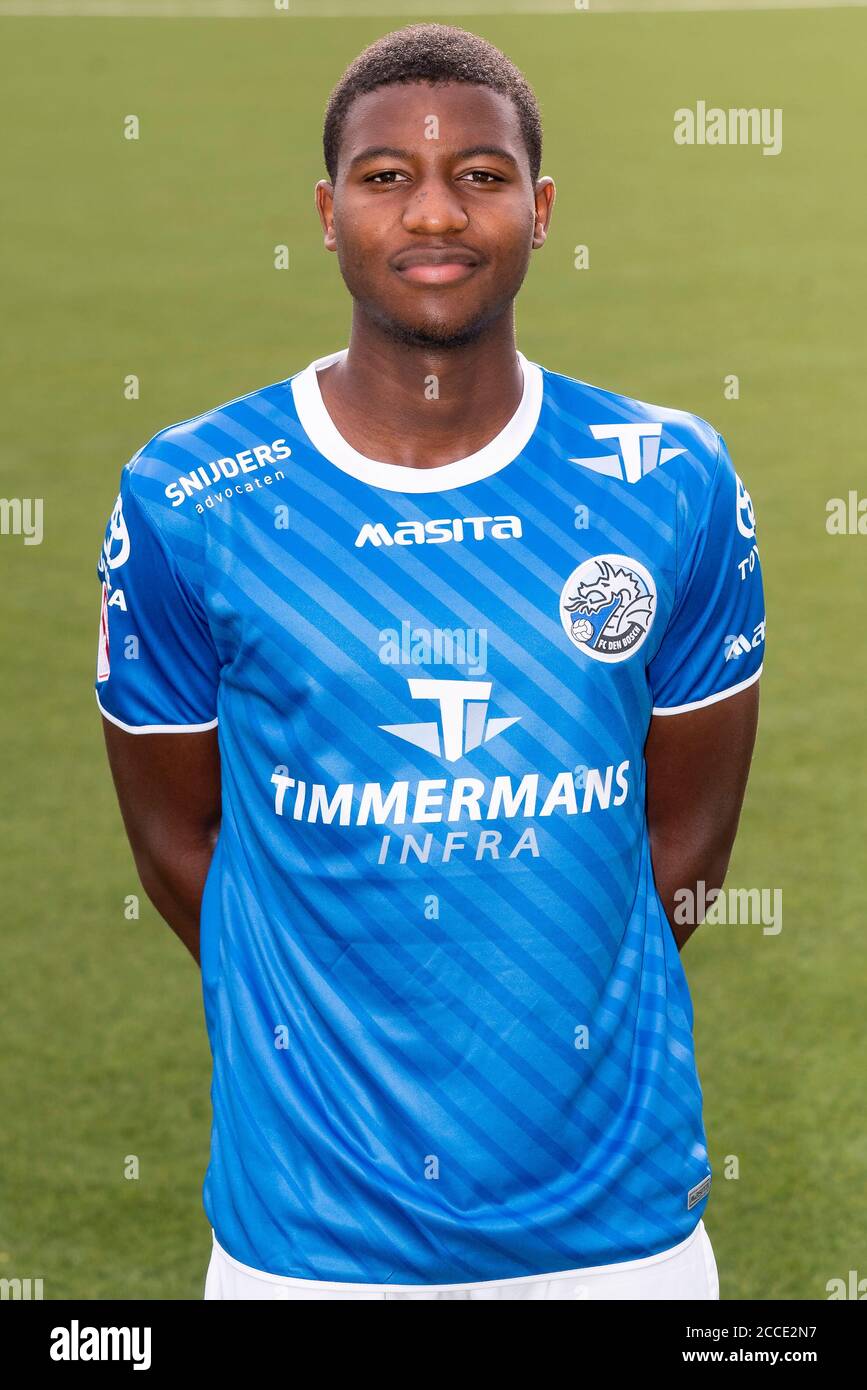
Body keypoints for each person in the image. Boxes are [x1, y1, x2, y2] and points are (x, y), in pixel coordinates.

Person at [95, 23, 763, 1300]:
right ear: (328, 211)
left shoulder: (668, 479)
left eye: (483, 175)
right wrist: (330, 1035)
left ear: (542, 206)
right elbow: (185, 853)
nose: (436, 214)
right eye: (387, 176)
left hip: (619, 1240)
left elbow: (687, 844)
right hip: (309, 1244)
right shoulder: (192, 495)